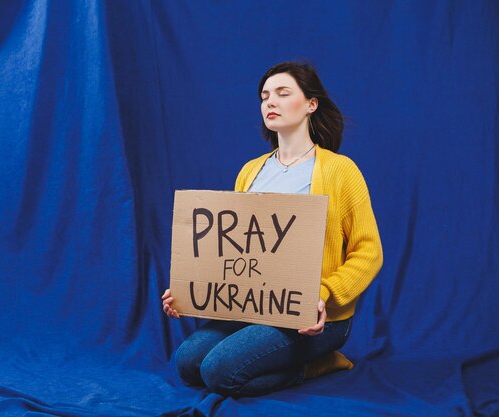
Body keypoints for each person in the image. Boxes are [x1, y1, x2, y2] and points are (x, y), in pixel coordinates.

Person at [162, 61, 383, 397]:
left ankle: (318, 364)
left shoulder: (340, 171)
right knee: (187, 363)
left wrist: (322, 293)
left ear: (311, 104)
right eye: (265, 96)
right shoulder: (250, 172)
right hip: (256, 308)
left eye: (282, 93)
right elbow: (234, 249)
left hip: (314, 318)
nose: (270, 102)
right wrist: (189, 291)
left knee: (218, 372)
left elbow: (369, 252)